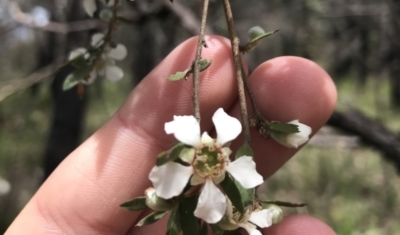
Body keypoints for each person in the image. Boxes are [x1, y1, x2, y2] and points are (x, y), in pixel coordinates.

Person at [5, 35, 337, 235]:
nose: (208, 159)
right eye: (206, 158)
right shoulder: (197, 161)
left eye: (210, 159)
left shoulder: (224, 157)